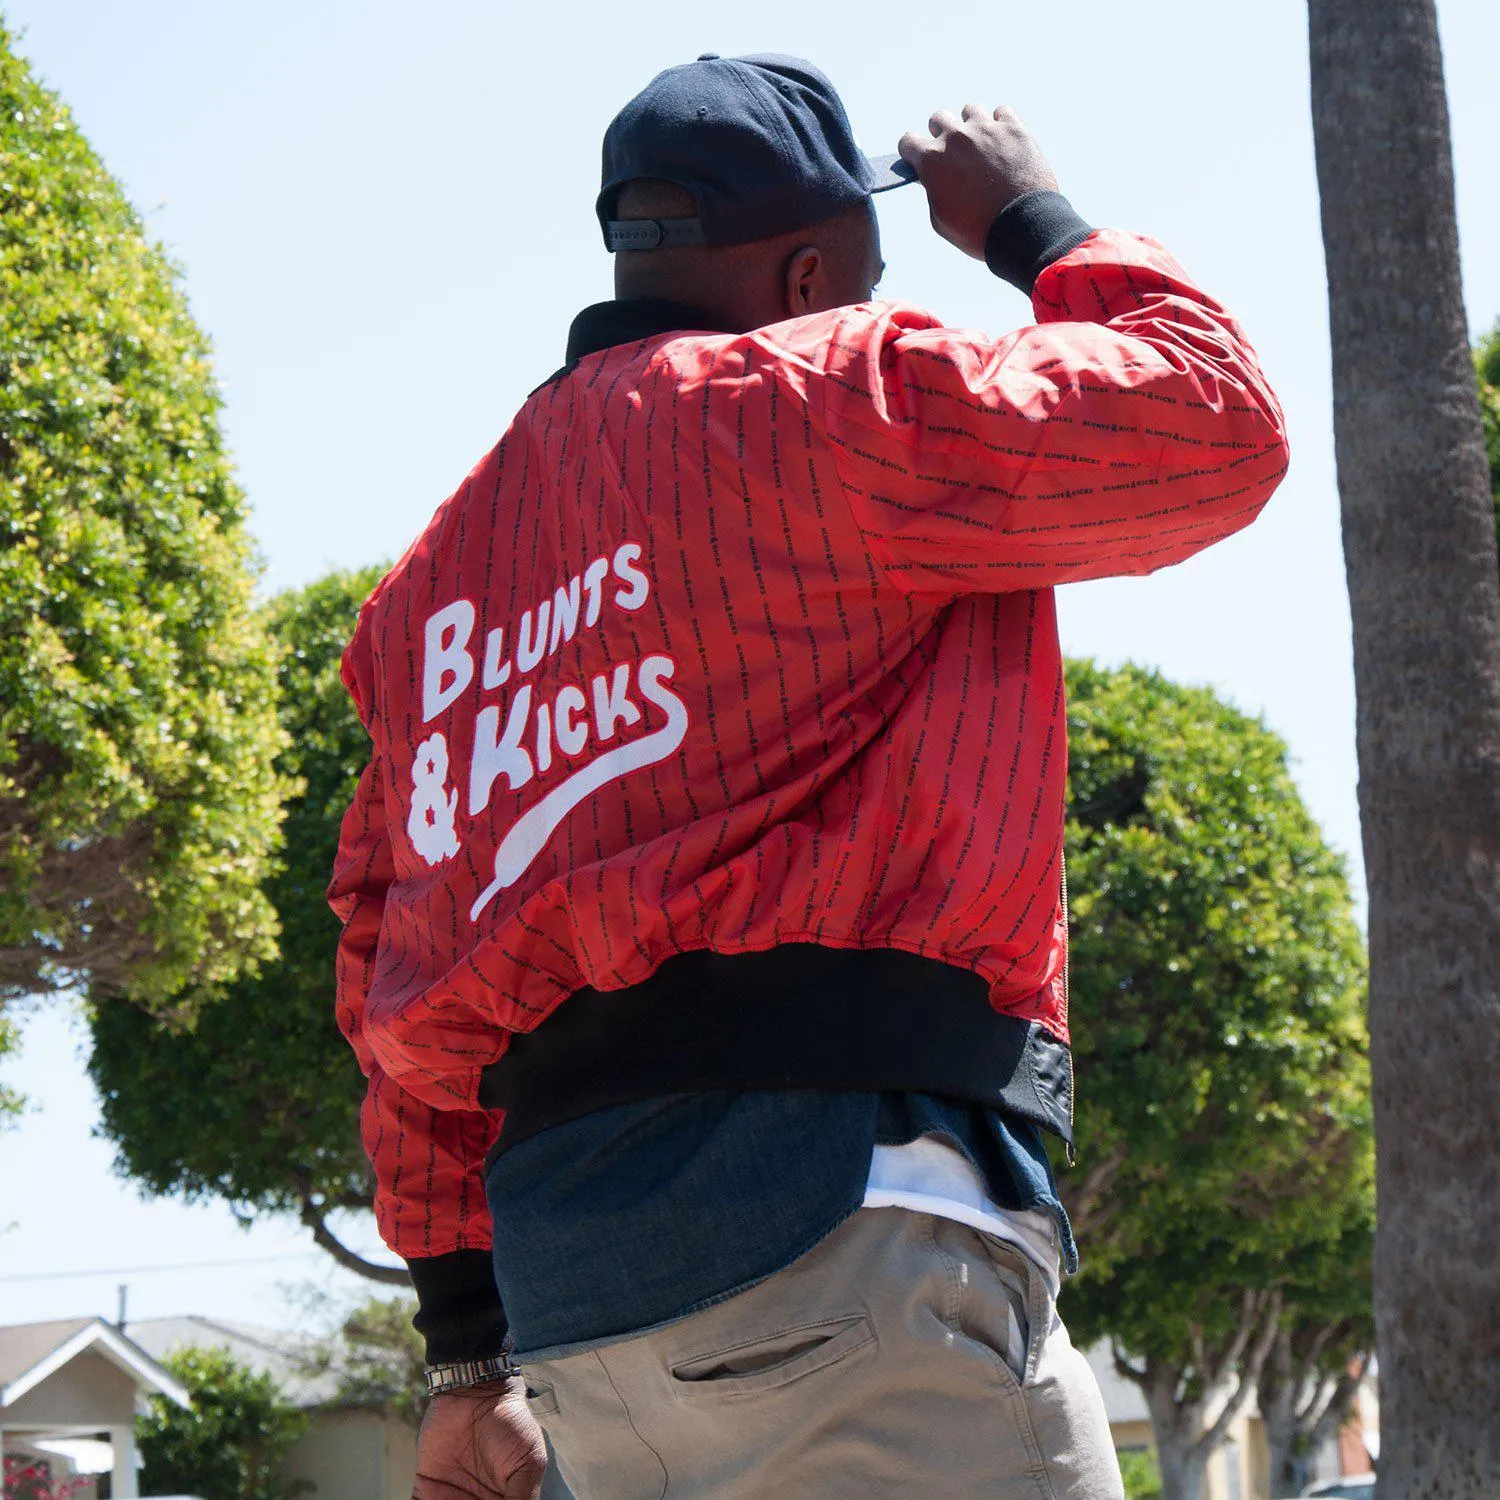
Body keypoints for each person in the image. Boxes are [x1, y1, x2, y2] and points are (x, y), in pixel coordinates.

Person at [330, 53, 1288, 1500]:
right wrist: (1032, 217)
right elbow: (1212, 423)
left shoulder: (431, 593)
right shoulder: (819, 399)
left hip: (581, 1312)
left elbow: (385, 971)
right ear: (802, 270)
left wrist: (468, 1358)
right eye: (865, 268)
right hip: (843, 1227)